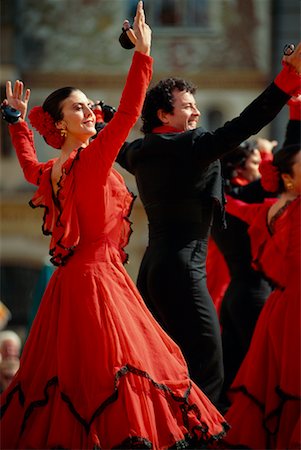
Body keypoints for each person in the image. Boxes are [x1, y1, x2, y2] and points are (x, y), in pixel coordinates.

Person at [0, 3, 229, 448]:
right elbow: (126, 114)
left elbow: (28, 167)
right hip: (98, 282)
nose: (89, 113)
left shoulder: (57, 168)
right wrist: (143, 56)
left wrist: (15, 123)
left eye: (88, 106)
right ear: (62, 123)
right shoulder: (88, 159)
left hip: (74, 284)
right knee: (123, 371)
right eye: (79, 108)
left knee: (82, 377)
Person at [116, 42, 301, 407]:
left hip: (151, 271)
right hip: (184, 271)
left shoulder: (138, 152)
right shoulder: (193, 146)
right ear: (164, 115)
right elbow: (246, 123)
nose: (198, 111)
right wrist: (287, 78)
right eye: (188, 106)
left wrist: (105, 115)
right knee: (208, 373)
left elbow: (116, 141)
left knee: (165, 366)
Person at [222, 142, 301, 449]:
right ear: (289, 177)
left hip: (280, 305)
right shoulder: (287, 209)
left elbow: (235, 206)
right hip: (290, 307)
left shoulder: (270, 209)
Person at [210, 139, 275, 406]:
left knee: (232, 370)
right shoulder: (240, 202)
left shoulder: (222, 202)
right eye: (255, 163)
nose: (260, 170)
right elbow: (273, 183)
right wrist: (270, 154)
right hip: (254, 294)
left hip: (236, 295)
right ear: (238, 168)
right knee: (263, 369)